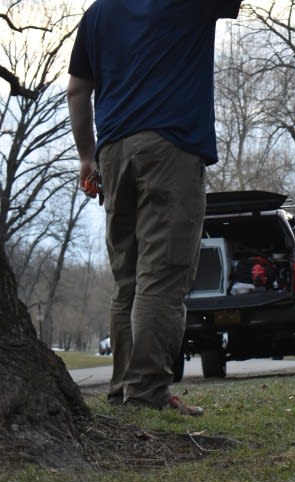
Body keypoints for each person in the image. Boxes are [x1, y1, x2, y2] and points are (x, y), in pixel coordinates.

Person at [67, 1, 242, 416]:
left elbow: (77, 88)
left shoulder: (97, 13)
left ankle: (123, 390)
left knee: (128, 280)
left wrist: (86, 157)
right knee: (161, 277)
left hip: (113, 153)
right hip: (170, 147)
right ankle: (146, 394)